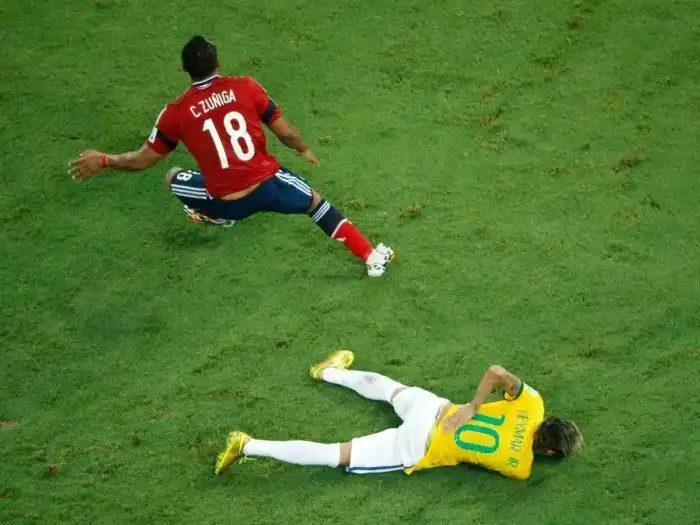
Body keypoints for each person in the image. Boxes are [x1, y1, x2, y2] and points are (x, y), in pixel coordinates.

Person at [68, 36, 395, 277]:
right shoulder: (246, 87)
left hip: (227, 201)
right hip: (269, 186)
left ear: (185, 70)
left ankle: (214, 216)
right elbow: (285, 132)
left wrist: (105, 159)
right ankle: (370, 257)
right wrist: (303, 148)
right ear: (218, 62)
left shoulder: (175, 113)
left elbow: (142, 160)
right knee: (316, 204)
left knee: (172, 177)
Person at [215, 351, 583, 479]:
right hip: (419, 446)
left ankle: (327, 372)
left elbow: (496, 371)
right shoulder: (520, 469)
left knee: (389, 389)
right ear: (548, 451)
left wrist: (473, 406)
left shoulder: (532, 404)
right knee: (337, 455)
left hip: (434, 409)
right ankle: (247, 446)